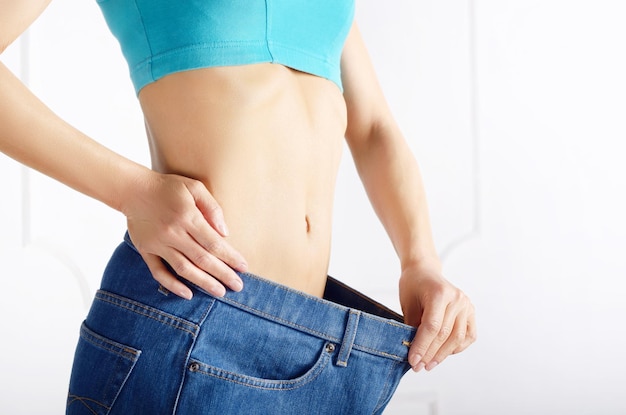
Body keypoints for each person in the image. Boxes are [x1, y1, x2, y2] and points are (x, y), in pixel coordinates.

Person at [1, 1, 476, 413]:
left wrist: (420, 261)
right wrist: (131, 192)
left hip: (320, 345)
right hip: (194, 316)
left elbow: (374, 129)